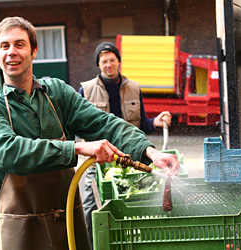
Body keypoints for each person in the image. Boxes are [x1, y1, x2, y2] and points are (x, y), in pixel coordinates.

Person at [0, 17, 179, 250]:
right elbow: (8, 152)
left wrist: (149, 152)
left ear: (34, 51)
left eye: (20, 44)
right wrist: (76, 148)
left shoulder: (57, 93)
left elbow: (104, 123)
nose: (12, 52)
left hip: (67, 217)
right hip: (20, 226)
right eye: (4, 46)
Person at [78, 41, 172, 247]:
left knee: (134, 204)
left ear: (119, 61)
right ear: (98, 65)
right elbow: (77, 125)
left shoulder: (134, 87)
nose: (108, 64)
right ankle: (92, 244)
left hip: (129, 158)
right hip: (99, 161)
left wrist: (155, 122)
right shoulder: (85, 90)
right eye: (104, 61)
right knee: (90, 206)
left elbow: (141, 123)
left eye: (112, 60)